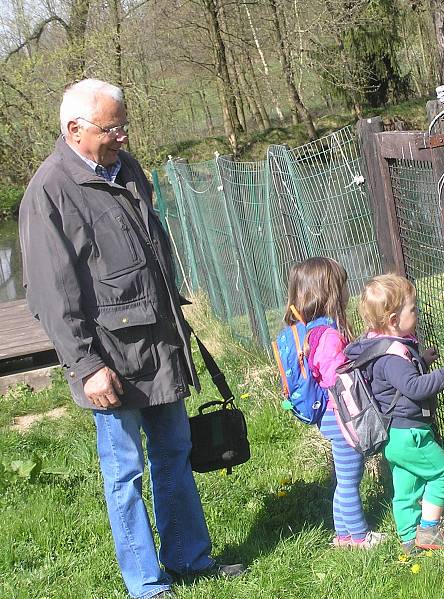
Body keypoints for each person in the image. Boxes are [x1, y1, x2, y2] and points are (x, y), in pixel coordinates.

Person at [18, 78, 243, 599]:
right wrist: (84, 365)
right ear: (74, 130)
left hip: (159, 346)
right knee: (125, 473)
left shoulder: (128, 169)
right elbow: (52, 297)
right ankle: (146, 584)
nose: (122, 135)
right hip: (108, 362)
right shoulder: (48, 192)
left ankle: (188, 559)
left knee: (174, 453)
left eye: (124, 124)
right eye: (111, 127)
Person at [348, 273, 444, 554]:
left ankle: (409, 539)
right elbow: (413, 387)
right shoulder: (391, 357)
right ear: (393, 320)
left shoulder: (379, 349)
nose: (418, 312)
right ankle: (430, 530)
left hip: (394, 436)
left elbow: (395, 382)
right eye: (413, 308)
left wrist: (421, 361)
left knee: (406, 492)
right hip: (411, 433)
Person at [284, 257, 386, 548]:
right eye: (341, 287)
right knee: (350, 481)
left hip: (331, 417)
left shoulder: (314, 329)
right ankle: (358, 536)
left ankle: (343, 536)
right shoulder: (328, 334)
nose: (346, 293)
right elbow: (335, 377)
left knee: (345, 479)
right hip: (341, 416)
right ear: (329, 293)